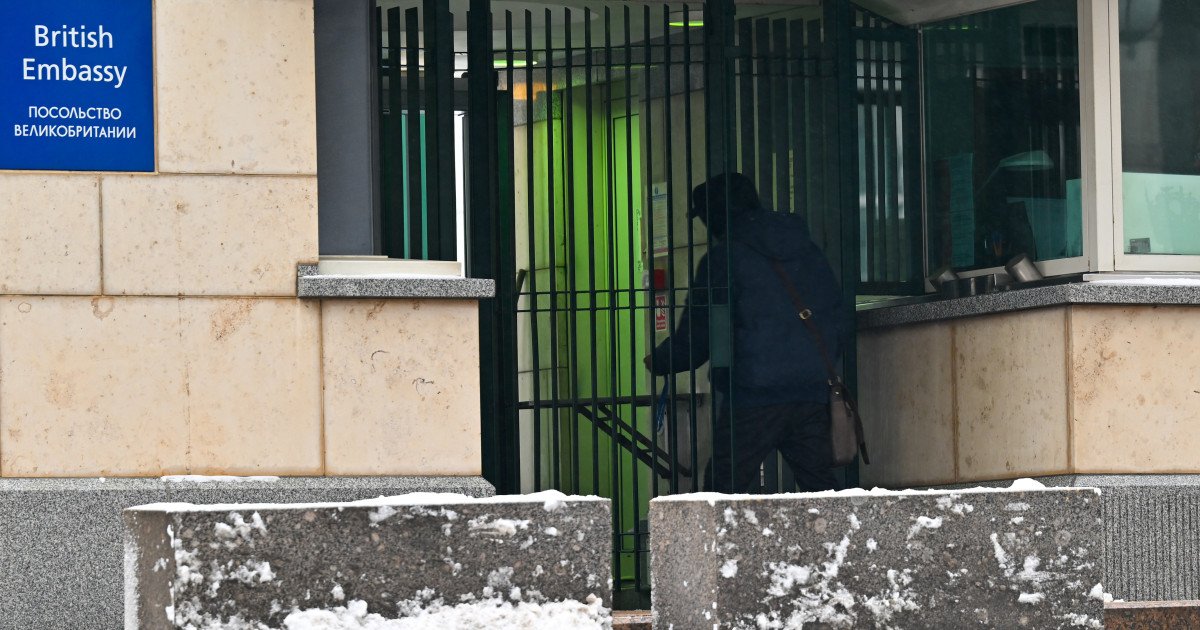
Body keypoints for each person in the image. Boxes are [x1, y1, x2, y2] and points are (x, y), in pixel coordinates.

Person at [645, 173, 849, 493]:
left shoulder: (723, 259)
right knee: (820, 486)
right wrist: (815, 364)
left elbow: (700, 331)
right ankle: (839, 528)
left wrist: (662, 360)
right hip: (810, 390)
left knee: (723, 489)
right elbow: (837, 315)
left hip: (754, 394)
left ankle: (727, 531)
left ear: (714, 215)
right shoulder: (807, 250)